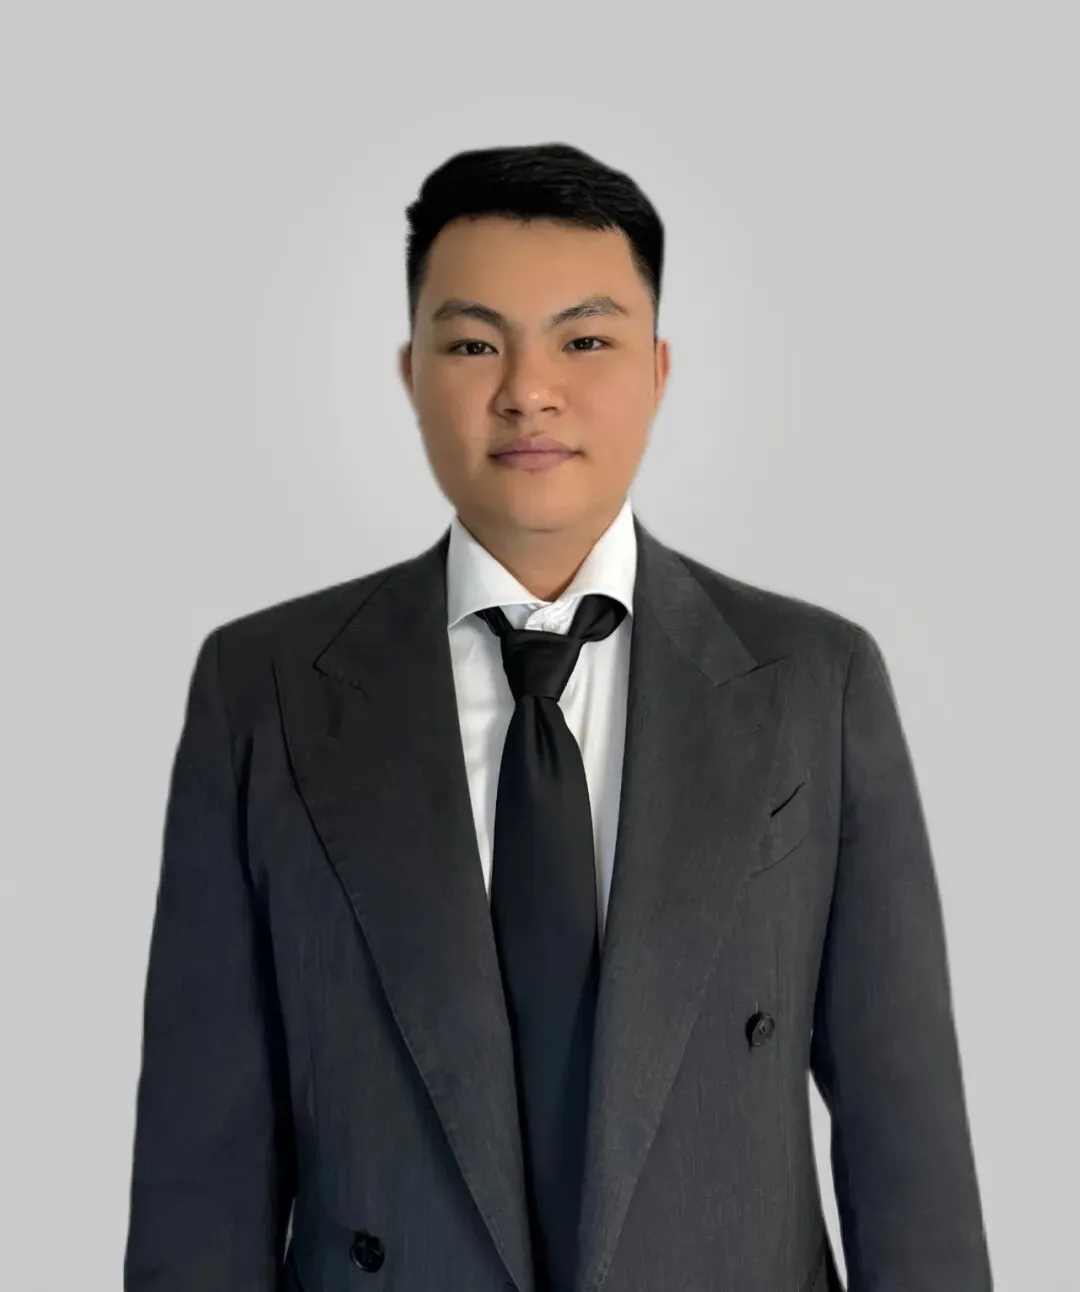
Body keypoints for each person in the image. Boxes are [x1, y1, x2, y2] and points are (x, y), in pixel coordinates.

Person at [123, 142, 993, 1292]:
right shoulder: (264, 687)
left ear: (658, 369)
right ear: (411, 372)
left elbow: (905, 1135)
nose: (529, 390)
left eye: (584, 341)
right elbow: (201, 1163)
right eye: (474, 343)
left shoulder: (811, 682)